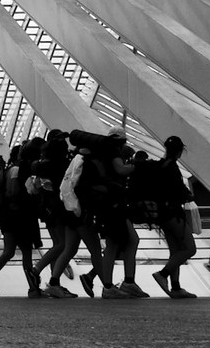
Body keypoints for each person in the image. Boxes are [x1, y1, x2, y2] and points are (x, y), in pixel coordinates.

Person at [70, 128, 147, 299]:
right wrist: (137, 166)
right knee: (116, 244)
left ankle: (122, 282)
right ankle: (111, 286)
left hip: (108, 203)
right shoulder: (112, 151)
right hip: (112, 204)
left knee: (123, 242)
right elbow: (120, 170)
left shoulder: (100, 154)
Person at [0, 143, 40, 297]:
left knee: (9, 252)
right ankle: (33, 289)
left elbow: (2, 195)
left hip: (7, 218)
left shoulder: (6, 171)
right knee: (25, 253)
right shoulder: (16, 171)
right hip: (17, 218)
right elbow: (11, 193)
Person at [29, 129, 81, 298]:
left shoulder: (43, 163)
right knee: (62, 244)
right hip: (56, 208)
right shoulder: (58, 164)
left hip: (46, 209)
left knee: (58, 244)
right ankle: (36, 270)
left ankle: (54, 283)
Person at [145, 136, 199, 298]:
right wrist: (188, 196)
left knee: (175, 250)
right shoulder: (172, 167)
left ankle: (176, 287)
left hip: (161, 215)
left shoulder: (160, 165)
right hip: (173, 214)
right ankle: (163, 274)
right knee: (189, 249)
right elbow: (178, 189)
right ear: (179, 150)